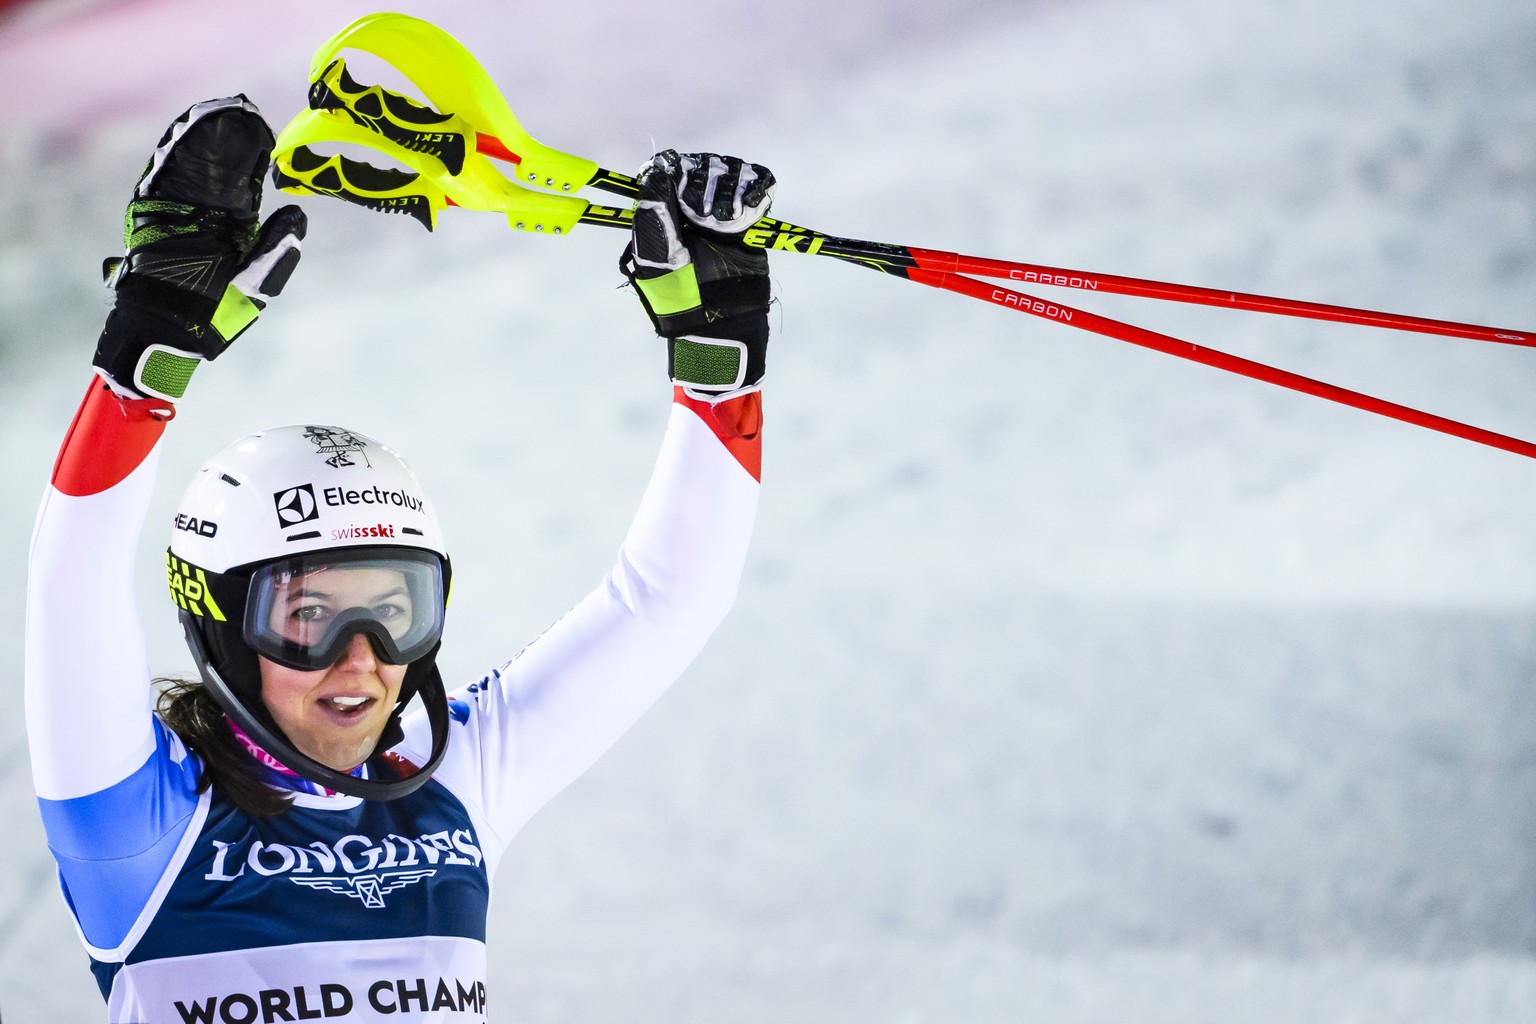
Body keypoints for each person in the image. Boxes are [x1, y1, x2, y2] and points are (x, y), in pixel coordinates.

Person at [24, 94, 775, 1020]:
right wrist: (147, 351)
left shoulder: (449, 775)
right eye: (309, 616)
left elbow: (671, 598)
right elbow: (71, 590)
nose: (363, 663)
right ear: (218, 625)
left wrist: (721, 360)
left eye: (394, 613)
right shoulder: (140, 832)